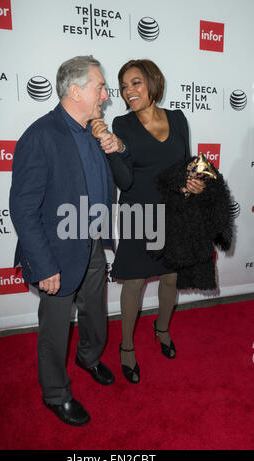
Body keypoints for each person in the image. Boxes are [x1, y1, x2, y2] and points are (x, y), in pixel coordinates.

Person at [9, 55, 115, 426]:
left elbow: (108, 180)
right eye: (100, 86)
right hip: (55, 254)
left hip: (92, 246)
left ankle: (89, 358)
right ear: (75, 90)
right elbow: (23, 208)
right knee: (54, 329)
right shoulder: (41, 135)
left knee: (95, 314)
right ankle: (55, 394)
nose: (105, 94)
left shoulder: (92, 132)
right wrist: (44, 264)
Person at [91, 59, 205, 384]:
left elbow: (186, 163)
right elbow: (125, 182)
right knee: (136, 282)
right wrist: (112, 151)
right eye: (124, 86)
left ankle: (162, 329)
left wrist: (194, 182)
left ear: (153, 82)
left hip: (173, 212)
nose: (129, 91)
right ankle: (126, 347)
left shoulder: (179, 119)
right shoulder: (122, 124)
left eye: (136, 83)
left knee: (171, 278)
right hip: (138, 213)